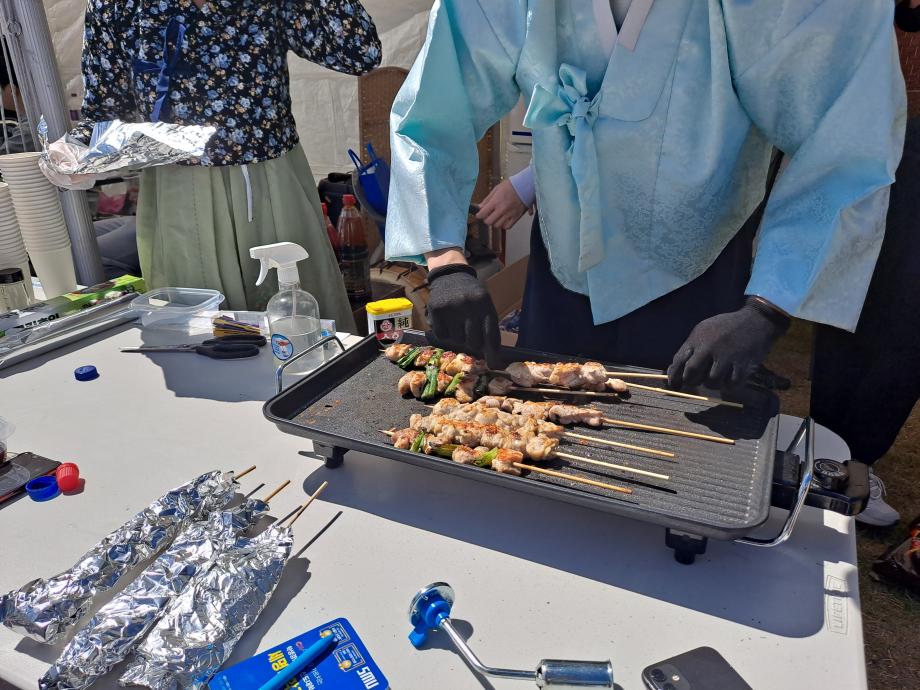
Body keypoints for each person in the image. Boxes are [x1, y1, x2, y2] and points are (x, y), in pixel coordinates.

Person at [385, 0, 906, 397]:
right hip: (565, 254)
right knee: (538, 414)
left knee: (678, 458)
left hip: (696, 266)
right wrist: (445, 258)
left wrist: (769, 305)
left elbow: (843, 138)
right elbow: (436, 107)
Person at [71, 0, 382, 322]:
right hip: (178, 193)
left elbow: (358, 53)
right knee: (196, 332)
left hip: (271, 183)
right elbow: (105, 108)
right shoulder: (118, 4)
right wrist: (78, 153)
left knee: (298, 323)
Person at [810, 0, 920, 527]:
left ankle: (854, 461)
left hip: (897, 130)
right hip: (872, 126)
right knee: (852, 289)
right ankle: (824, 454)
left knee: (908, 320)